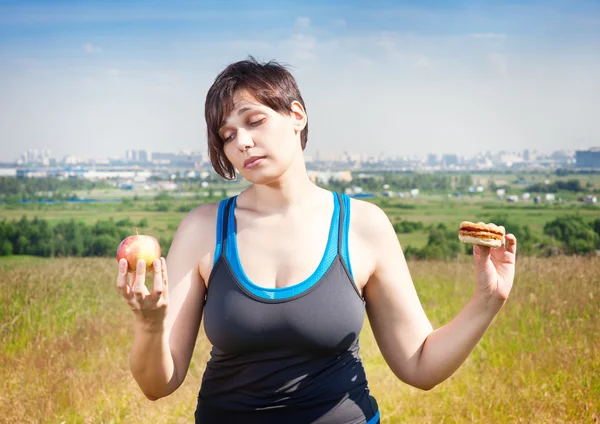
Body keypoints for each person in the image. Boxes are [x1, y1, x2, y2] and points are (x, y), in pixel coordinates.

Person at [116, 56, 518, 424]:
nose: (241, 142)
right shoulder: (203, 229)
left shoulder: (363, 225)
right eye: (226, 134)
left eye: (253, 121)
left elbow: (420, 366)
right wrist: (150, 326)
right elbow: (157, 386)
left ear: (297, 115)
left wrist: (488, 300)